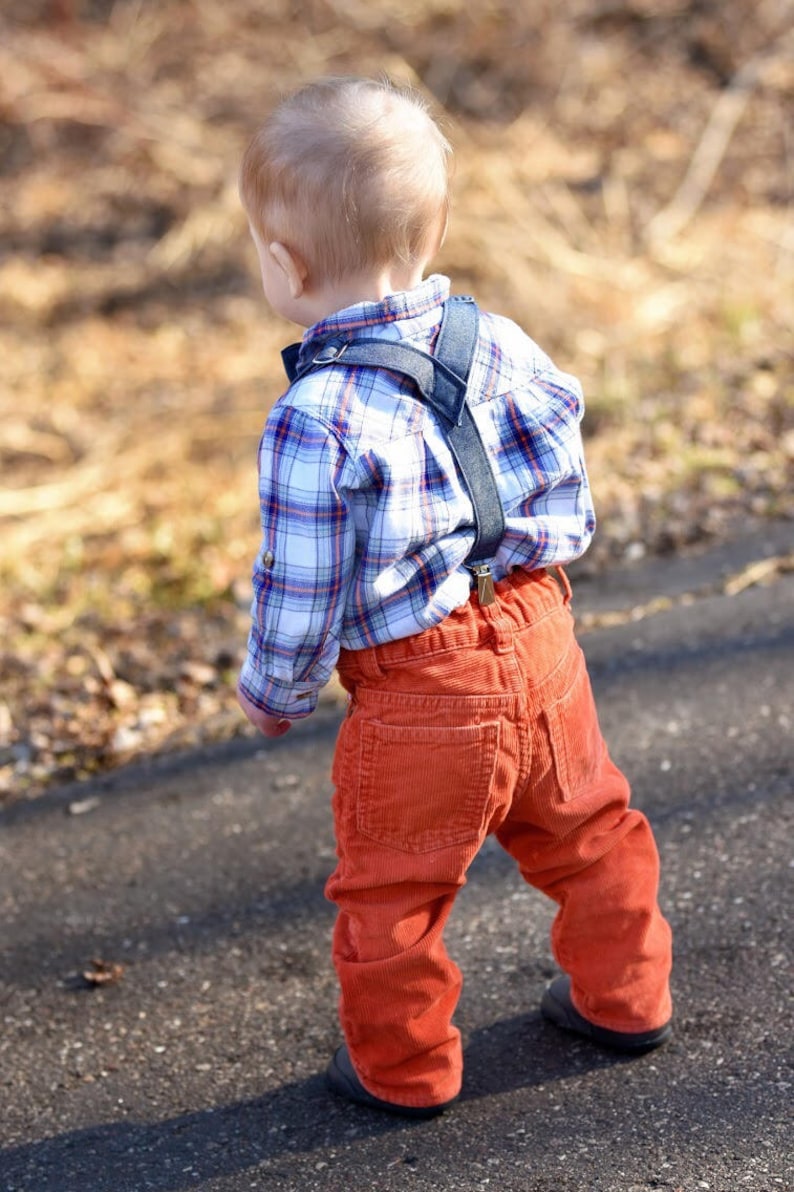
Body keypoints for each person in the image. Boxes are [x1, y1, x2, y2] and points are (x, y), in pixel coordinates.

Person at [236, 76, 673, 1119]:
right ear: (428, 232)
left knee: (392, 891)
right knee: (588, 826)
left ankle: (403, 1068)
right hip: (539, 629)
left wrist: (275, 689)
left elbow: (299, 588)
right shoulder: (503, 341)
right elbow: (561, 480)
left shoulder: (316, 414)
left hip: (419, 688)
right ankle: (624, 994)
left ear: (286, 263)